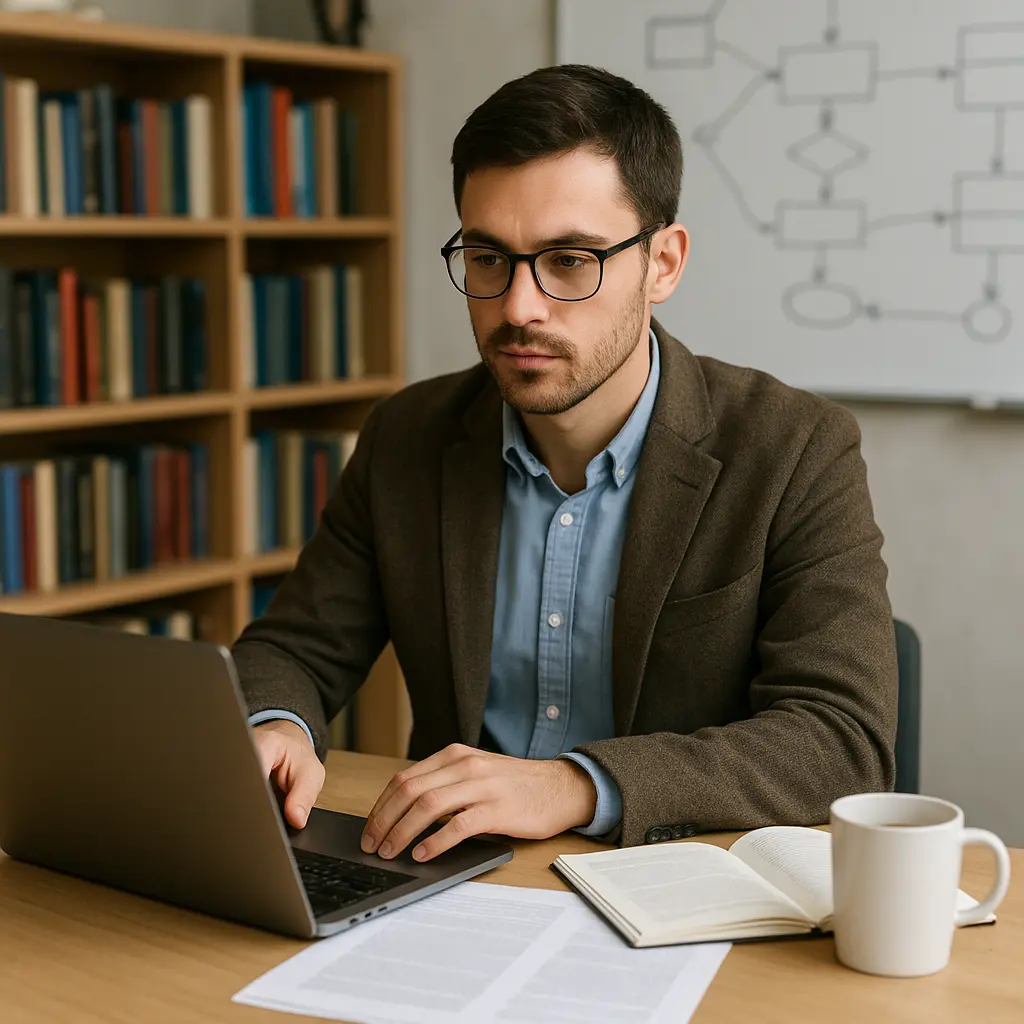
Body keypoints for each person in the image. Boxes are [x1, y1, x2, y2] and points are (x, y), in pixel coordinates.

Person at [233, 64, 898, 865]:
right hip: (458, 880)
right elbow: (294, 648)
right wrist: (275, 725)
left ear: (663, 264)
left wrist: (572, 784)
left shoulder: (795, 448)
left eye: (571, 261)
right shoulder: (407, 436)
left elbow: (838, 738)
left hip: (683, 888)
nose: (518, 307)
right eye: (487, 258)